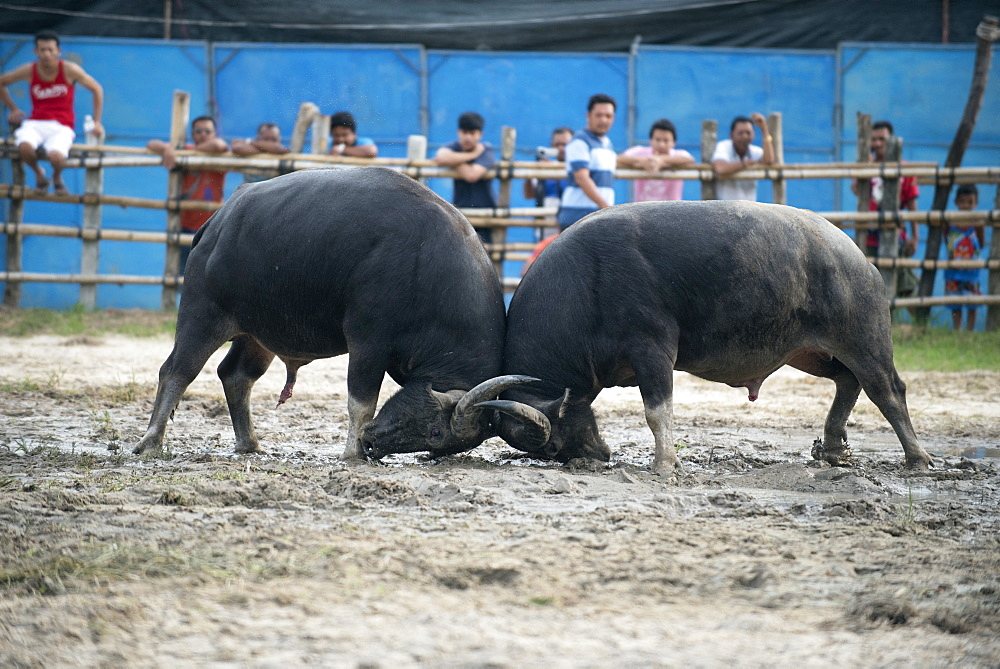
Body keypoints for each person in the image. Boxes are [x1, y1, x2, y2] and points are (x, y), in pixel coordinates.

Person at [0, 29, 104, 195]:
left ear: (58, 51)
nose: (47, 54)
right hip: (35, 122)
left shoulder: (70, 70)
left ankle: (56, 177)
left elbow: (97, 89)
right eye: (42, 50)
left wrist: (97, 121)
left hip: (62, 125)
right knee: (24, 146)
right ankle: (39, 174)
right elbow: (2, 82)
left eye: (50, 50)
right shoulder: (29, 70)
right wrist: (13, 108)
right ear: (36, 51)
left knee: (57, 157)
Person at [147, 115, 229, 274]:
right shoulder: (182, 151)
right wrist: (166, 149)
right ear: (192, 135)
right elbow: (151, 143)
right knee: (185, 275)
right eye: (198, 131)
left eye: (207, 131)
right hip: (185, 225)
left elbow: (220, 145)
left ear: (214, 134)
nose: (203, 134)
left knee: (212, 274)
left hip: (214, 225)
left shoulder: (217, 153)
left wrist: (183, 151)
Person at [853, 119, 921, 297]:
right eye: (873, 139)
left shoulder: (903, 168)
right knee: (867, 282)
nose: (877, 143)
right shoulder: (867, 166)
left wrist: (915, 236)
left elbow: (912, 203)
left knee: (903, 284)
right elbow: (855, 189)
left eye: (882, 139)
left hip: (894, 234)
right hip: (868, 235)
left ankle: (913, 320)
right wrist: (862, 168)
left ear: (892, 140)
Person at [433, 111, 496, 242]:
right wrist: (472, 156)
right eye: (464, 132)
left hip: (485, 214)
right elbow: (441, 157)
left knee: (487, 256)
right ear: (458, 132)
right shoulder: (456, 147)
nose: (468, 137)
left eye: (472, 133)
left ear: (480, 134)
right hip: (460, 213)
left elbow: (472, 175)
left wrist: (453, 161)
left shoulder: (487, 149)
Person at [558, 93, 617, 230]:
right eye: (599, 115)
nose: (603, 120)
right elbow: (582, 178)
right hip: (578, 218)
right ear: (588, 115)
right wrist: (606, 208)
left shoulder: (606, 143)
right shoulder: (579, 141)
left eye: (608, 116)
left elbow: (620, 159)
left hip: (597, 217)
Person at [617, 118, 695, 202]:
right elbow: (619, 158)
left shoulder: (678, 154)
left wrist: (661, 160)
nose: (661, 144)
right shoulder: (640, 151)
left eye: (666, 140)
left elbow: (690, 160)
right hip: (642, 210)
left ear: (673, 142)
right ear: (651, 140)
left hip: (671, 211)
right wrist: (643, 161)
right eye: (657, 140)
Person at [945, 184, 985, 331]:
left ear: (976, 204)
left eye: (970, 202)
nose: (966, 205)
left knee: (972, 302)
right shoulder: (950, 223)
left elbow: (981, 244)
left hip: (972, 272)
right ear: (956, 202)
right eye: (962, 201)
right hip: (953, 272)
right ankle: (957, 330)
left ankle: (970, 331)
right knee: (955, 303)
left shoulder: (978, 224)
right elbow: (947, 241)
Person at [711, 113, 774, 201]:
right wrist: (744, 164)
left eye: (748, 133)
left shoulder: (755, 151)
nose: (744, 136)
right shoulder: (723, 146)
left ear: (754, 135)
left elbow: (769, 161)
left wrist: (764, 129)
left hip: (750, 209)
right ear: (731, 135)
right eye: (740, 133)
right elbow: (720, 168)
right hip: (725, 210)